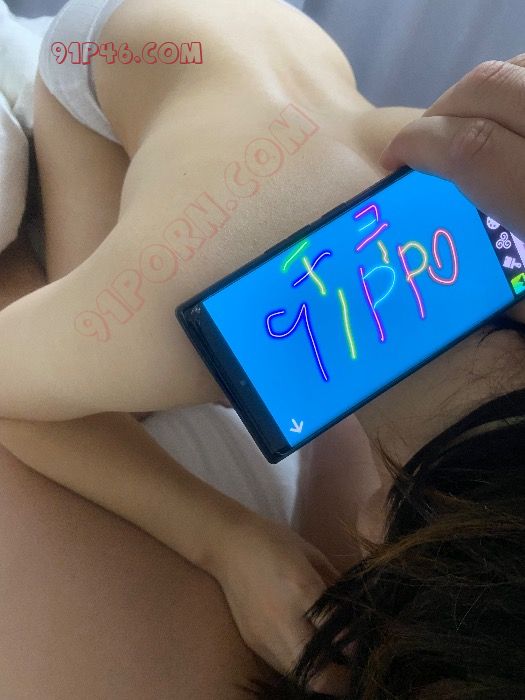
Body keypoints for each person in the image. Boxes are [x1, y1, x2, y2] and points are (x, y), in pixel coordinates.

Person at [0, 0, 523, 695]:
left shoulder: (498, 219)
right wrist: (224, 538)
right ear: (375, 530)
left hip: (285, 49)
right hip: (106, 49)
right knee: (119, 411)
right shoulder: (174, 335)